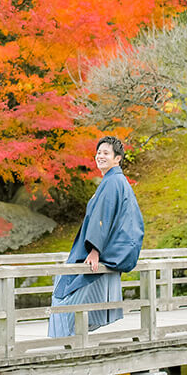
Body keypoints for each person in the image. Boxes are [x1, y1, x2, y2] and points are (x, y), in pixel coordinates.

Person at [47, 135, 144, 337]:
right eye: (98, 152)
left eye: (106, 153)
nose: (100, 156)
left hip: (98, 252)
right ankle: (70, 337)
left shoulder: (112, 182)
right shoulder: (117, 181)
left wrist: (95, 250)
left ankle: (63, 341)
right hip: (109, 251)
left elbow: (103, 218)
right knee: (67, 288)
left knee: (63, 291)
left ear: (117, 158)